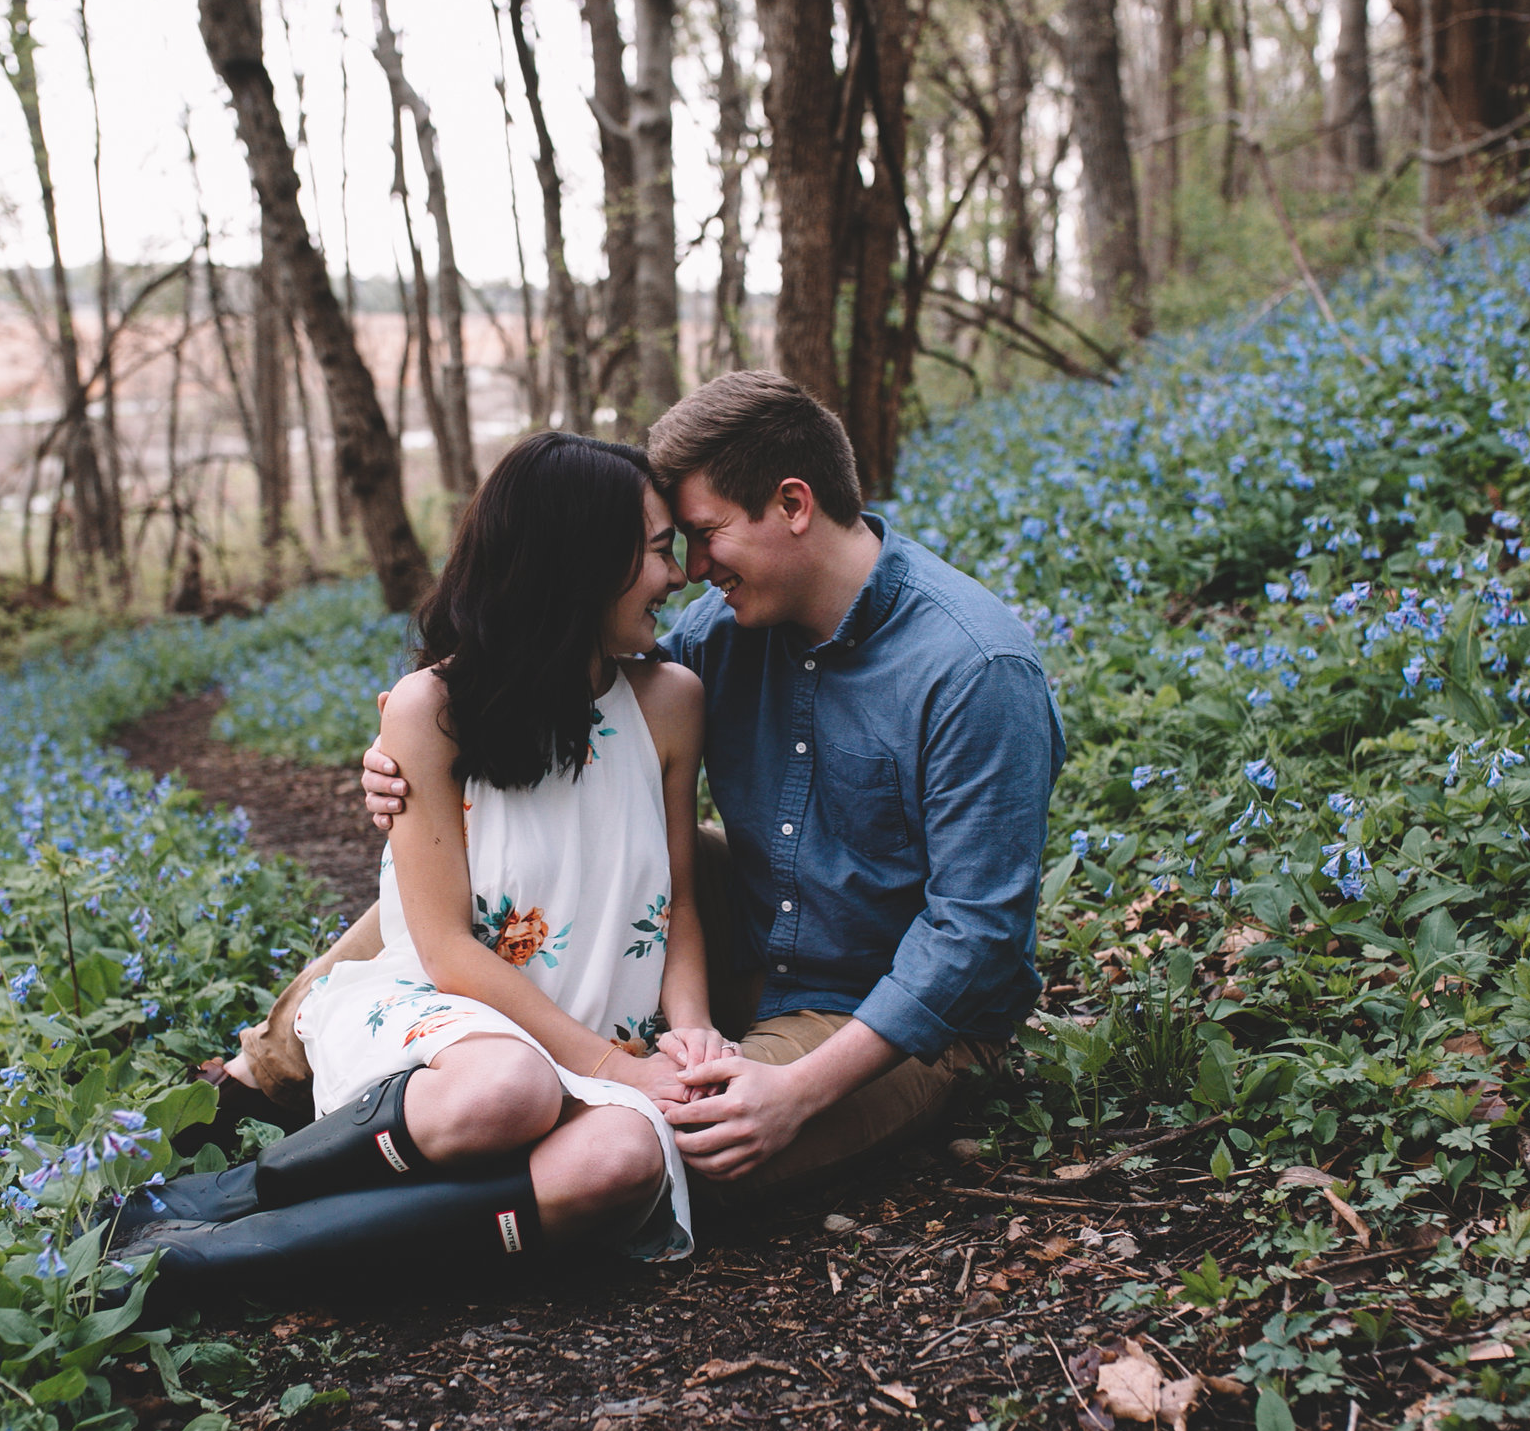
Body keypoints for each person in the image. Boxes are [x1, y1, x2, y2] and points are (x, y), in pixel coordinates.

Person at [338, 371, 1065, 1202]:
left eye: (705, 533)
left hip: (879, 1012)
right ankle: (266, 1062)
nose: (688, 568)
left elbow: (975, 939)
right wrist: (414, 751)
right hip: (750, 934)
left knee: (681, 1132)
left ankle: (401, 1210)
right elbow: (566, 706)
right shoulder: (722, 630)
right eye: (673, 543)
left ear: (793, 503)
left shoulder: (973, 670)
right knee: (471, 865)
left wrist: (799, 1089)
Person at [97, 433, 721, 1320]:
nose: (679, 574)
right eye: (660, 551)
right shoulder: (433, 709)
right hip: (446, 1019)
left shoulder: (671, 703)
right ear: (583, 559)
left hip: (598, 1041)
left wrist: (689, 1038)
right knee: (508, 1089)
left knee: (622, 1161)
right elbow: (445, 951)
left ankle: (233, 1262)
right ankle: (227, 1201)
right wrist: (612, 1068)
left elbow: (683, 902)